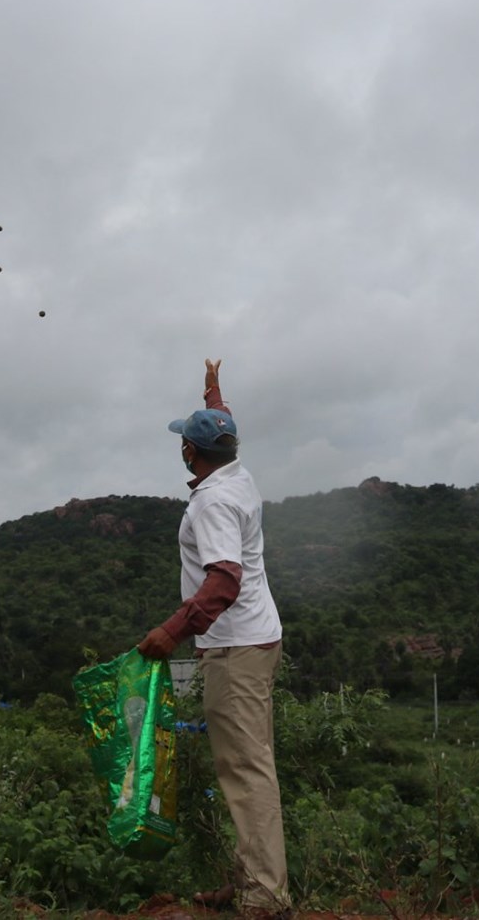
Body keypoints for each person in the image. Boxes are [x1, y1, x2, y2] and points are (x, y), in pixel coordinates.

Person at [138, 359, 288, 917]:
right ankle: (251, 878)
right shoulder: (235, 471)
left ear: (190, 453)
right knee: (246, 766)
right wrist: (213, 390)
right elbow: (221, 421)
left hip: (234, 650)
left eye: (187, 439)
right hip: (255, 641)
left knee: (247, 772)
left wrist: (171, 632)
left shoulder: (213, 502)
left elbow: (225, 578)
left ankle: (264, 899)